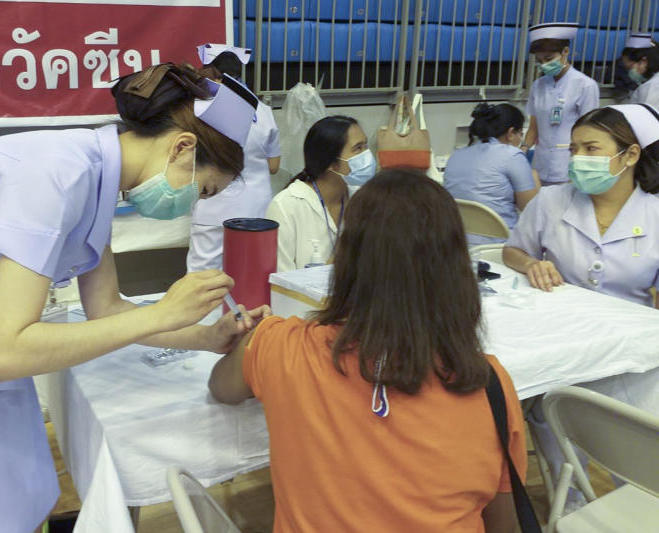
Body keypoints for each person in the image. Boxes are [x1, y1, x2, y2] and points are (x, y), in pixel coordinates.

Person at [0, 63, 267, 532]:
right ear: (182, 147)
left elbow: (107, 309)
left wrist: (206, 336)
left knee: (20, 495)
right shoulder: (58, 172)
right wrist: (162, 311)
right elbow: (4, 351)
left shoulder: (98, 180)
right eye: (203, 190)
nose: (192, 204)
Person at [208, 169, 526, 533]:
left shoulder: (282, 345)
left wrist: (249, 337)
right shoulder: (488, 386)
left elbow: (222, 386)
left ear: (344, 263)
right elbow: (504, 523)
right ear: (457, 270)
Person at [504, 104, 659, 308]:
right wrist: (531, 264)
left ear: (630, 155)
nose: (577, 158)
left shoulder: (654, 215)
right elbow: (512, 251)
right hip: (560, 316)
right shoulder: (550, 200)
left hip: (629, 328)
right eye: (573, 149)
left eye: (591, 148)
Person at [187, 44, 281, 272]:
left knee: (205, 274)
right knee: (251, 272)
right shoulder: (263, 110)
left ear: (213, 73)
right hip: (257, 207)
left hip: (215, 204)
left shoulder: (202, 109)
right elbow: (274, 166)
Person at [265, 116, 374, 271]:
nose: (367, 155)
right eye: (358, 148)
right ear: (330, 162)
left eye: (366, 145)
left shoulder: (363, 199)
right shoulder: (286, 206)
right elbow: (281, 284)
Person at [443, 103, 539, 245]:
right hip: (498, 247)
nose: (521, 140)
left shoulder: (456, 156)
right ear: (511, 133)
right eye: (520, 134)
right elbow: (530, 209)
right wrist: (534, 176)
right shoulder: (512, 155)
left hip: (456, 242)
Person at [522, 22, 599, 186]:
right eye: (539, 60)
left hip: (568, 165)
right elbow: (533, 128)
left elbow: (590, 131)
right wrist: (521, 152)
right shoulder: (538, 85)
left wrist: (583, 165)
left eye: (549, 59)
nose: (544, 65)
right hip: (540, 164)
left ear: (565, 52)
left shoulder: (585, 85)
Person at [622, 33, 659, 108]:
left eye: (630, 67)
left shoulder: (651, 86)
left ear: (643, 61)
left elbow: (647, 116)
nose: (629, 72)